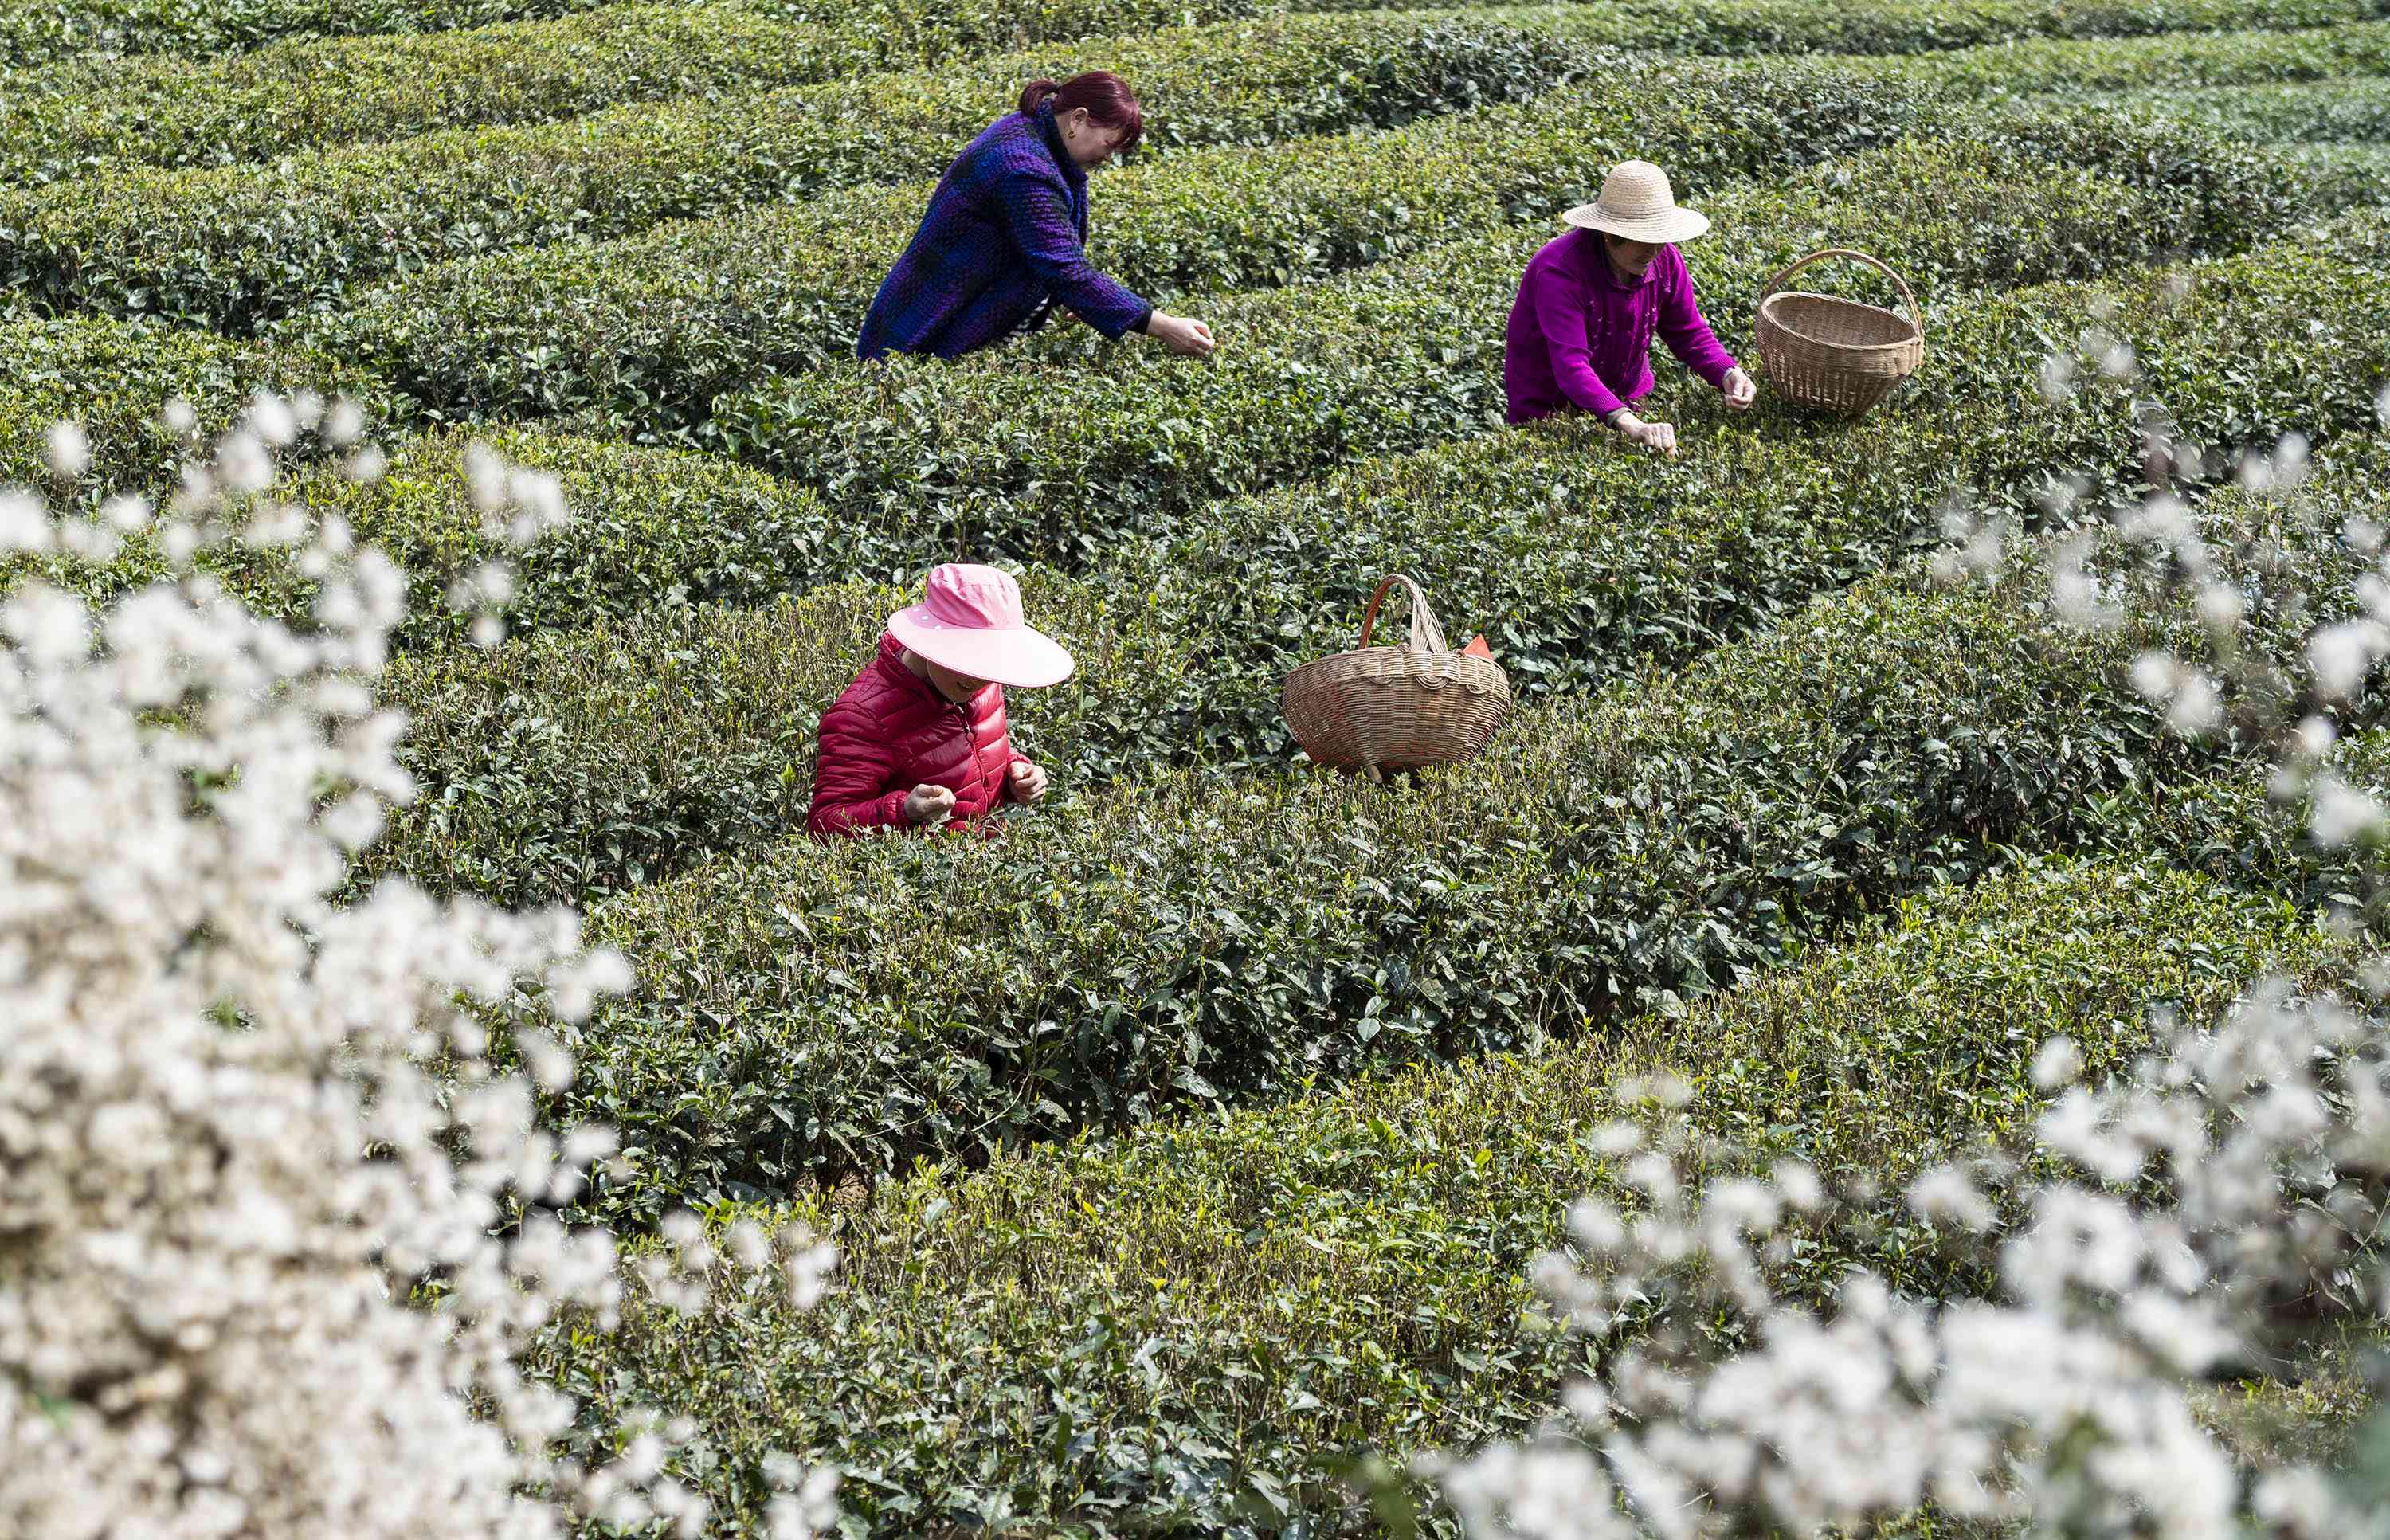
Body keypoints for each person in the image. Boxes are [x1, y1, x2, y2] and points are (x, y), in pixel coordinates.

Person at [856, 71, 1215, 363]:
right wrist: (1164, 326)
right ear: (1078, 120)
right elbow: (1064, 269)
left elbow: (1040, 247)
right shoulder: (1024, 169)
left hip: (948, 304)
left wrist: (1086, 302)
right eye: (1108, 145)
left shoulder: (1033, 131)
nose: (1108, 158)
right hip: (932, 322)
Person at [1503, 159, 1757, 457]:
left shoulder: (1664, 259)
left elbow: (1688, 332)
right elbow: (1572, 366)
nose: (1654, 251)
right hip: (1549, 410)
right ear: (1610, 235)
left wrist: (1728, 373)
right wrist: (1633, 426)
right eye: (1643, 241)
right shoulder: (1558, 273)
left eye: (1659, 239)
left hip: (1626, 399)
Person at [808, 563, 1076, 838]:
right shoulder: (863, 715)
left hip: (985, 866)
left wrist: (1015, 774)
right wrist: (903, 812)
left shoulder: (984, 679)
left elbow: (969, 750)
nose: (978, 677)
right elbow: (824, 823)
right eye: (966, 657)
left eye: (992, 659)